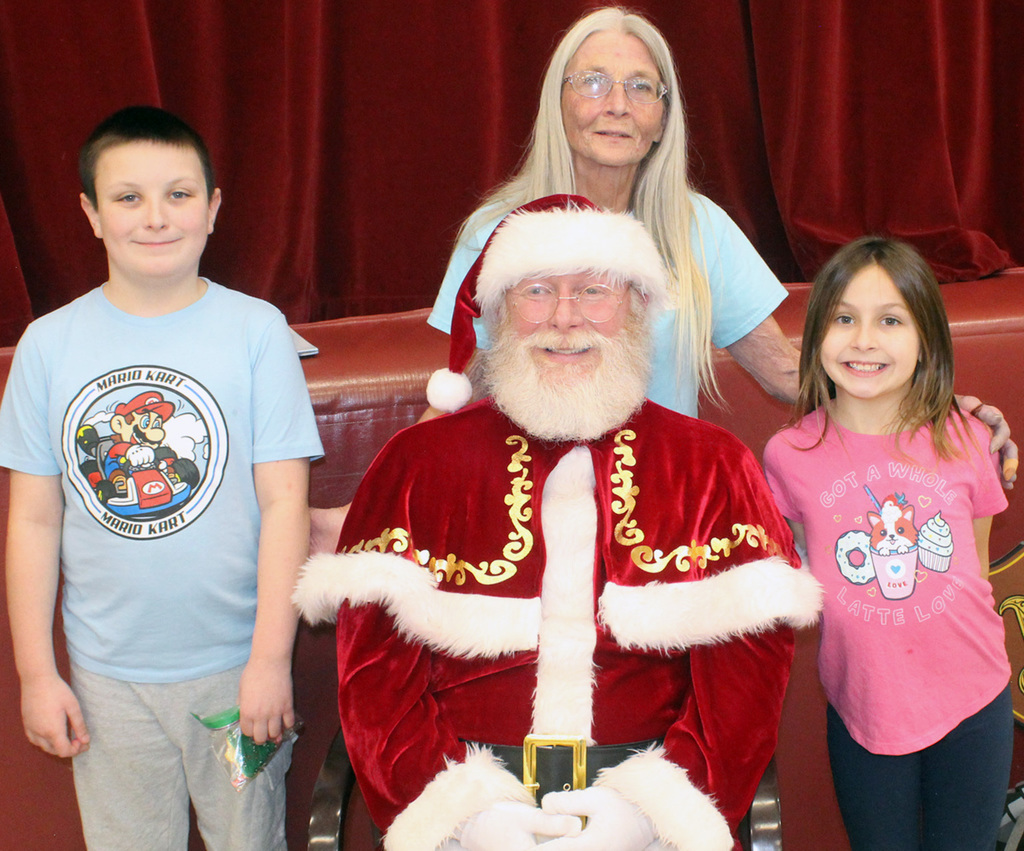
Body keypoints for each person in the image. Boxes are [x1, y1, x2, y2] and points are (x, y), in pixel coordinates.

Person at [295, 195, 823, 851]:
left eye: (593, 291)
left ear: (634, 307)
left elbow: (745, 684)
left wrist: (647, 811)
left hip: (656, 823)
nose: (565, 319)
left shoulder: (713, 467)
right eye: (537, 291)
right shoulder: (415, 465)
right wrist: (467, 814)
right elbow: (374, 678)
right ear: (499, 312)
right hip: (463, 820)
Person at [0, 106, 323, 850]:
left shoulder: (257, 330)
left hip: (235, 673)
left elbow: (284, 504)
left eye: (179, 194)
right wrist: (36, 673)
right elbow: (33, 519)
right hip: (106, 681)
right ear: (90, 213)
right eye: (128, 196)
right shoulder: (46, 346)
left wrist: (271, 661)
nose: (154, 217)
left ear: (212, 209)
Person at [763, 237, 1013, 850]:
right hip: (862, 707)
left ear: (926, 337)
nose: (864, 340)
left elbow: (974, 573)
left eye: (891, 320)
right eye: (844, 318)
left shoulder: (967, 437)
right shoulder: (788, 455)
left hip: (975, 702)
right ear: (817, 334)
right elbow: (794, 579)